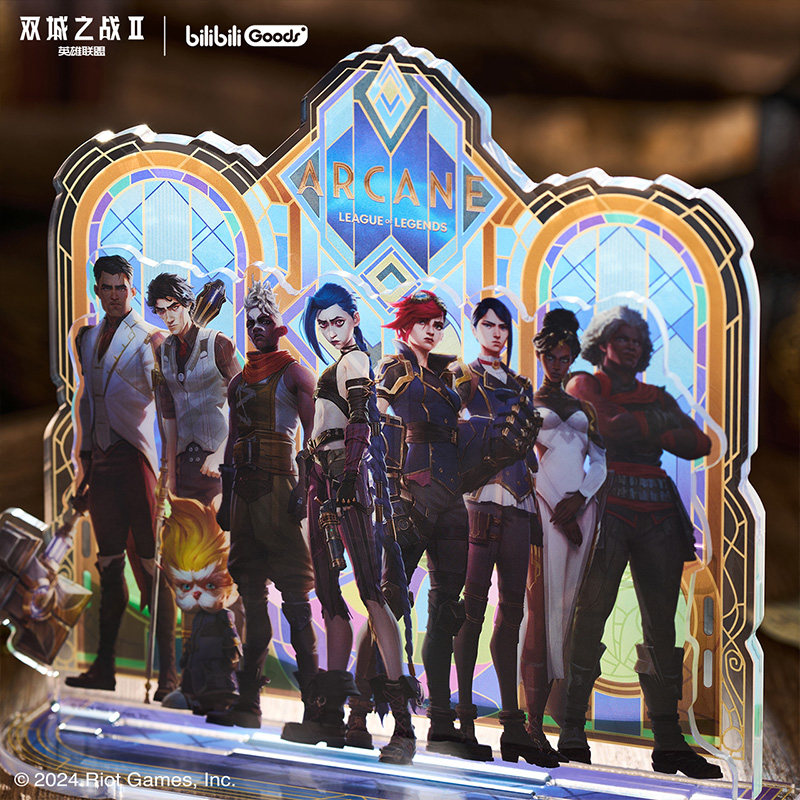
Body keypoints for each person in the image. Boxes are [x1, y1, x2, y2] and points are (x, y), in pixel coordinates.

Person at [557, 305, 722, 780]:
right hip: (606, 505)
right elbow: (610, 428)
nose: (630, 346)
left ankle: (668, 739)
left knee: (662, 628)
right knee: (590, 615)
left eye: (637, 339)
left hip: (658, 513)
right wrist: (656, 423)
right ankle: (572, 727)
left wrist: (639, 419)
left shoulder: (654, 394)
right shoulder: (585, 383)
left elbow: (698, 444)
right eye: (621, 338)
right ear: (603, 342)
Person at [280, 283, 419, 765]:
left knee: (373, 594)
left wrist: (348, 477)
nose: (331, 331)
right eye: (322, 324)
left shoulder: (356, 360)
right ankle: (333, 716)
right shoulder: (337, 365)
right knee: (331, 595)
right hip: (324, 482)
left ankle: (402, 726)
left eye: (338, 321)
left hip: (348, 482)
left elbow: (361, 421)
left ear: (355, 319)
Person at [452, 297, 560, 767]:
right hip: (476, 503)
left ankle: (513, 725)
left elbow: (530, 456)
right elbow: (455, 440)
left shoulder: (520, 386)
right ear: (476, 328)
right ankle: (463, 719)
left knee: (512, 613)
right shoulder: (460, 378)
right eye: (489, 325)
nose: (497, 333)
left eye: (503, 327)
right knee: (470, 611)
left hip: (517, 505)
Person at [207, 281, 318, 729]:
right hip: (245, 496)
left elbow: (311, 441)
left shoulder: (296, 375)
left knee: (295, 598)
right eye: (251, 322)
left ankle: (315, 708)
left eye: (264, 321)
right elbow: (232, 440)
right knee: (252, 600)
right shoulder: (238, 382)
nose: (256, 328)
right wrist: (226, 499)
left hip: (280, 489)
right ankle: (248, 701)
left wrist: (304, 491)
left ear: (279, 327)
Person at [66, 254, 177, 699]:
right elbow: (85, 402)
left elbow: (169, 409)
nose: (114, 295)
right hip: (101, 461)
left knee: (152, 564)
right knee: (109, 564)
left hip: (136, 460)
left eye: (121, 287)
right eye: (107, 287)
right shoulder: (87, 337)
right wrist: (83, 466)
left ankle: (170, 675)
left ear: (132, 288)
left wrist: (168, 470)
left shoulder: (152, 338)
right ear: (97, 289)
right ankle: (104, 667)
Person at [519, 308, 606, 761]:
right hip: (546, 511)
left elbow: (601, 463)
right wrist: (559, 509)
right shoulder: (528, 403)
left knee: (570, 610)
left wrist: (582, 499)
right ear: (540, 356)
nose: (558, 364)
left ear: (573, 357)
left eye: (565, 357)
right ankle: (531, 720)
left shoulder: (584, 408)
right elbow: (526, 464)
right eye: (551, 357)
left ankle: (567, 721)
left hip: (583, 514)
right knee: (542, 607)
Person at [146, 273, 239, 508]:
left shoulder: (219, 344)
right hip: (183, 467)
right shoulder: (163, 352)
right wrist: (170, 476)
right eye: (161, 311)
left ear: (188, 304)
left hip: (219, 465)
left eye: (174, 307)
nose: (168, 317)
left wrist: (222, 453)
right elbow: (169, 417)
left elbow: (246, 406)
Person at [160, 495, 241, 715]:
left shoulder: (223, 616)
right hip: (198, 669)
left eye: (209, 585)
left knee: (215, 689)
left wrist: (230, 659)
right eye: (186, 586)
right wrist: (187, 658)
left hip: (217, 674)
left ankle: (216, 702)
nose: (196, 594)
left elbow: (233, 645)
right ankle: (194, 696)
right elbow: (192, 644)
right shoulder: (199, 618)